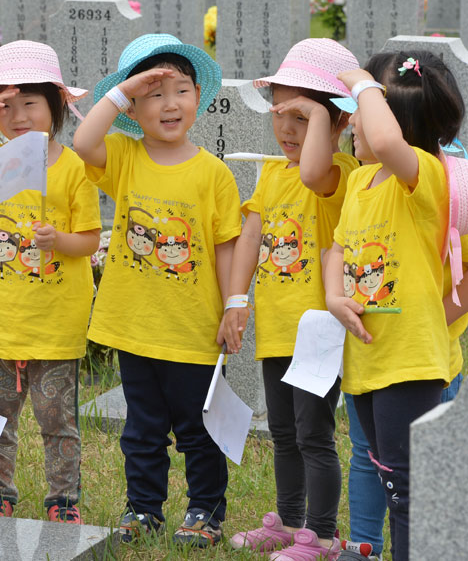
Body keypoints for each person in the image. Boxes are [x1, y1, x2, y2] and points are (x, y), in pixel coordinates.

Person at [72, 33, 238, 548]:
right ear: (133, 108)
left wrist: (235, 304)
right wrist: (122, 91)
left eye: (181, 90)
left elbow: (229, 247)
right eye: (153, 92)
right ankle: (143, 508)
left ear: (197, 98)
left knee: (197, 430)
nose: (170, 104)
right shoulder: (123, 155)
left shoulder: (213, 173)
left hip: (192, 328)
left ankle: (205, 510)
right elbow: (82, 142)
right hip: (133, 323)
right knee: (141, 430)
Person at [0, 40, 99, 524]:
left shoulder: (71, 169)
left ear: (57, 107)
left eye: (31, 103)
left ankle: (63, 499)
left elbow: (91, 240)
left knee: (57, 421)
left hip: (54, 324)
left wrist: (60, 241)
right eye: (6, 106)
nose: (19, 116)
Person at [218, 40, 360, 559]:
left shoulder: (336, 175)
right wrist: (236, 299)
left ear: (336, 121)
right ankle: (290, 520)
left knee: (313, 432)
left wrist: (319, 116)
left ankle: (320, 535)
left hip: (318, 330)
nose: (287, 130)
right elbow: (251, 238)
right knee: (282, 430)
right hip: (278, 327)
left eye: (301, 117)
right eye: (281, 112)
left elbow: (312, 173)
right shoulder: (272, 173)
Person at [325, 51, 465, 561]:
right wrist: (333, 295)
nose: (353, 122)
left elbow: (386, 141)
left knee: (410, 489)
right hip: (368, 358)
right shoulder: (362, 181)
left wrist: (364, 82)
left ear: (393, 118)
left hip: (410, 362)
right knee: (391, 480)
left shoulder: (424, 176)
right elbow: (337, 248)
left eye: (359, 110)